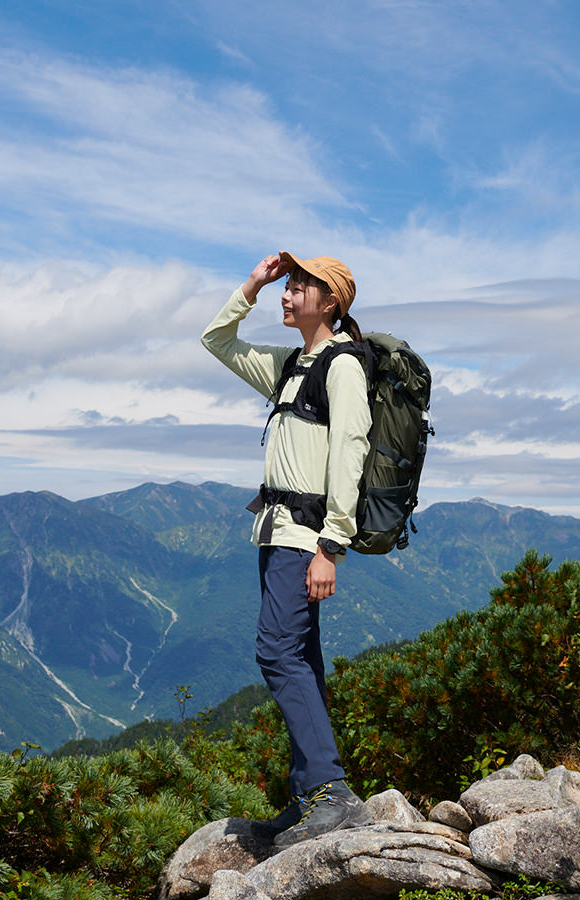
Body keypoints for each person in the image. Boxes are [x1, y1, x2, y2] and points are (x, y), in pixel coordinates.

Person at [201, 251, 374, 847]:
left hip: (307, 538)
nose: (288, 293)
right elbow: (217, 340)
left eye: (301, 286)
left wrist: (332, 544)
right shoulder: (288, 364)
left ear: (331, 303)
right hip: (276, 533)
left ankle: (331, 793)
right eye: (289, 283)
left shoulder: (342, 366)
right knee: (302, 657)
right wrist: (251, 282)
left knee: (276, 651)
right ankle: (309, 797)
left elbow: (350, 451)